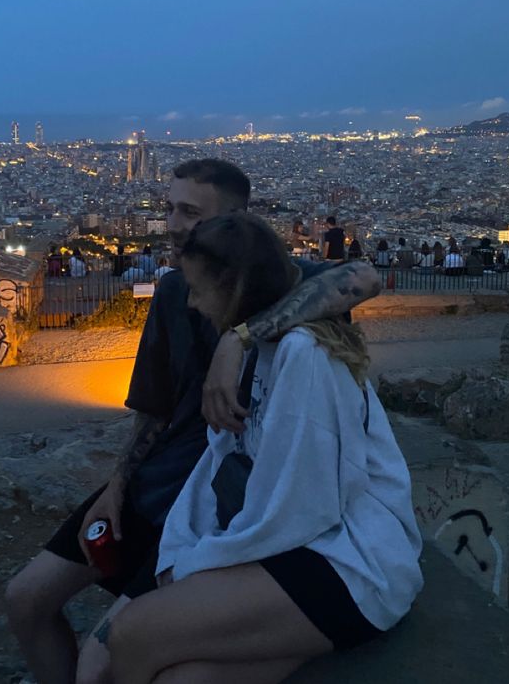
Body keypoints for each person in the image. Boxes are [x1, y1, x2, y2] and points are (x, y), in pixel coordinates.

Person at [6, 159, 381, 684]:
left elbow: (363, 277)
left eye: (190, 211)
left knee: (106, 661)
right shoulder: (171, 291)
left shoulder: (282, 286)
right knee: (25, 599)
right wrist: (117, 483)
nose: (175, 224)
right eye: (170, 209)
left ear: (237, 221)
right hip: (161, 486)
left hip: (218, 502)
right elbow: (156, 406)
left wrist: (240, 336)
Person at [105, 213, 423, 683]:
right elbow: (221, 465)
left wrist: (194, 564)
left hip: (349, 561)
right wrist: (180, 552)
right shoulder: (252, 347)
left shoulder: (302, 355)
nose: (191, 304)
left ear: (234, 287)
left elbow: (301, 506)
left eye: (198, 288)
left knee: (130, 634)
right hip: (291, 545)